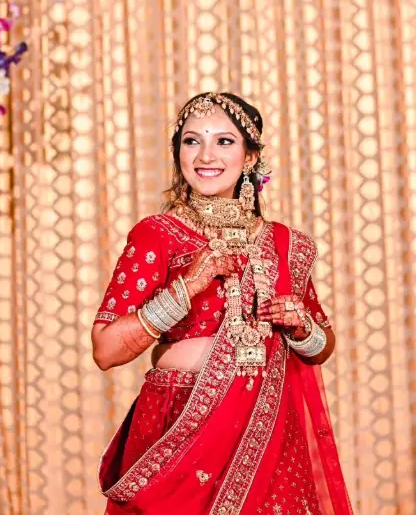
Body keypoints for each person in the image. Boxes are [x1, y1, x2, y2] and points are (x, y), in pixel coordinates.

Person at [92, 92, 353, 515]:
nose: (205, 155)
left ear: (250, 157)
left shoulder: (286, 245)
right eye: (191, 141)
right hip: (178, 424)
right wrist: (186, 288)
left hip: (267, 438)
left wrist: (300, 325)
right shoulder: (157, 234)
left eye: (224, 142)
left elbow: (322, 345)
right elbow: (105, 350)